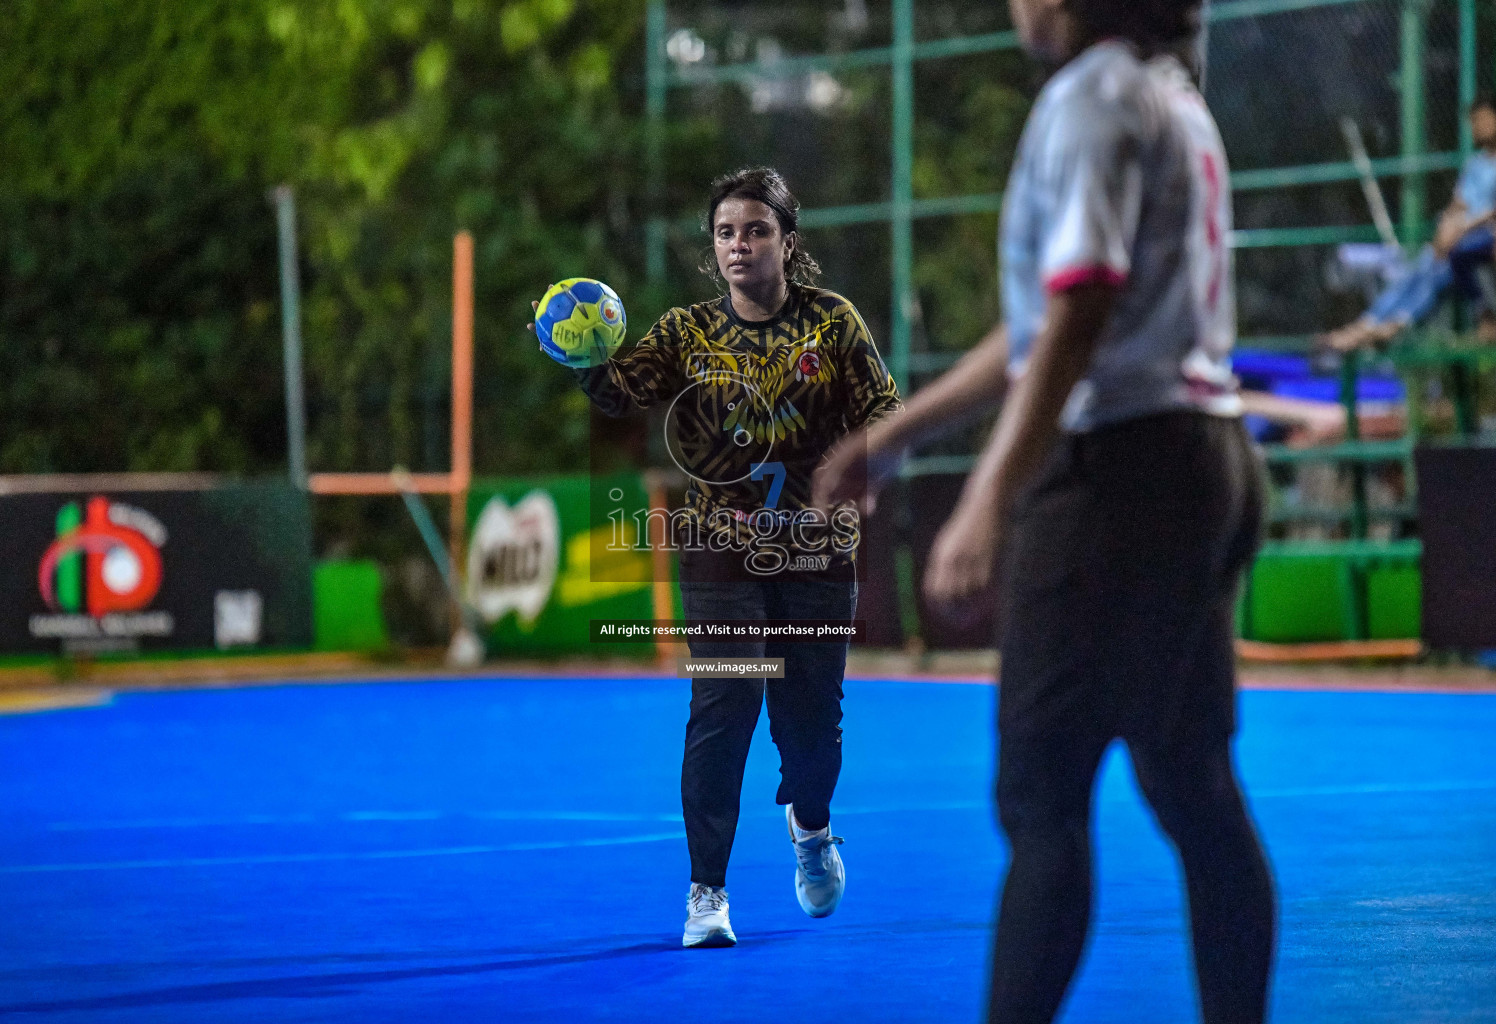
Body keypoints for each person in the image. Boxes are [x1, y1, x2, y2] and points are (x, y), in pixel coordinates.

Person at [815, 0, 1276, 1020]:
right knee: (1190, 782)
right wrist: (895, 436)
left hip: (1119, 475)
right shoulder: (1169, 96)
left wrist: (988, 496)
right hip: (1204, 457)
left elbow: (1076, 317)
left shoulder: (1090, 97)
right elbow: (1040, 323)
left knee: (1040, 798)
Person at [543, 167, 900, 948]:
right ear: (714, 248)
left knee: (811, 726)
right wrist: (585, 357)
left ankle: (811, 832)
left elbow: (887, 411)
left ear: (787, 241)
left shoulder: (833, 324)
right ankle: (707, 893)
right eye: (726, 232)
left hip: (815, 552)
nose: (739, 244)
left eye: (756, 230)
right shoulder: (685, 331)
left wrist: (865, 465)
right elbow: (622, 394)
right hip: (718, 549)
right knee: (724, 704)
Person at [1323, 95, 1496, 351]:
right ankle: (1370, 323)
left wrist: (1460, 229)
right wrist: (1446, 226)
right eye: (1474, 121)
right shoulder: (1474, 164)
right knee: (1424, 263)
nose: (1476, 127)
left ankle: (1393, 324)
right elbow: (1458, 204)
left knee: (1440, 266)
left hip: (1481, 238)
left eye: (1482, 120)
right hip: (1457, 237)